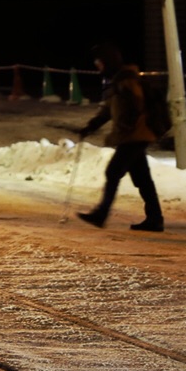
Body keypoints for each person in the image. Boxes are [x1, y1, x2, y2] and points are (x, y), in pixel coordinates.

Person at [76, 42, 164, 232]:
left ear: (108, 61)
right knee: (142, 178)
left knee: (113, 172)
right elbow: (108, 110)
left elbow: (136, 103)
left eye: (99, 62)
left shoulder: (126, 80)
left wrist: (126, 125)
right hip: (133, 135)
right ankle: (155, 219)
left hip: (134, 136)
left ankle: (101, 214)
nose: (97, 66)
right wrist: (90, 127)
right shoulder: (117, 81)